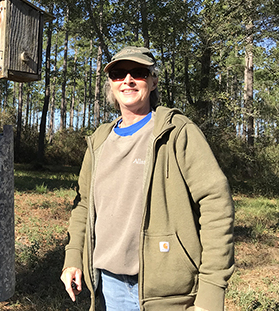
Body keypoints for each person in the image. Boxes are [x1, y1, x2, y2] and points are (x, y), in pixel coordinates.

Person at [61, 46, 234, 311]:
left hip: (169, 292)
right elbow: (84, 205)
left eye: (138, 72)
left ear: (153, 81)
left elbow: (216, 205)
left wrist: (211, 292)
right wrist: (73, 257)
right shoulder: (99, 141)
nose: (127, 80)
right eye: (118, 74)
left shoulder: (177, 132)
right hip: (110, 286)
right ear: (111, 84)